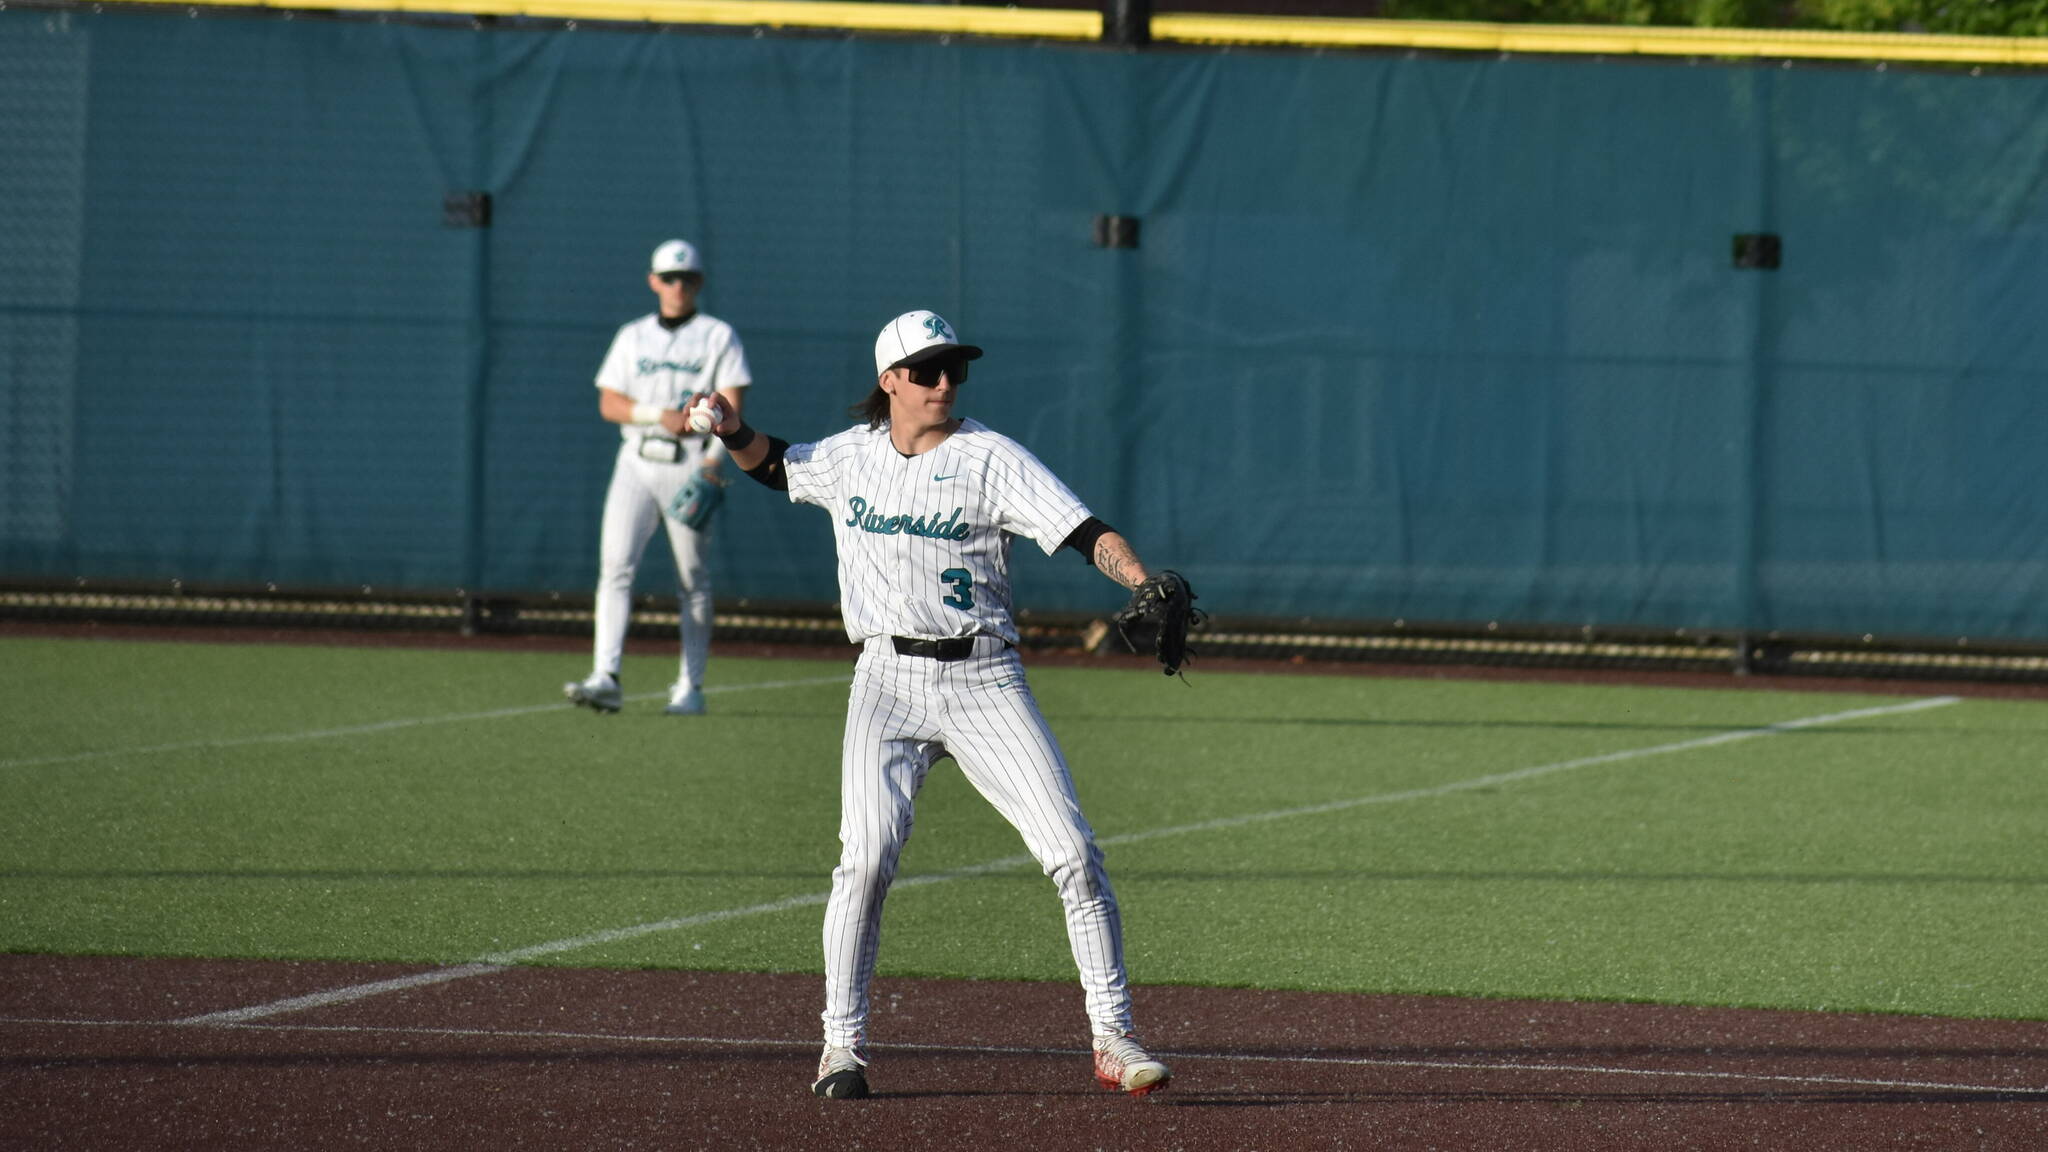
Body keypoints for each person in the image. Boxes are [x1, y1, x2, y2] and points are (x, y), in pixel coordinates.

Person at [682, 309, 1172, 1100]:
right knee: (865, 862)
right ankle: (841, 1049)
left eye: (955, 369)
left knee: (1074, 854)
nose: (946, 382)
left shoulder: (990, 457)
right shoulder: (850, 459)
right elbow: (776, 466)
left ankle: (1112, 1038)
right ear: (889, 382)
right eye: (928, 370)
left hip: (984, 681)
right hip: (884, 682)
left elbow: (1083, 530)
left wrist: (1142, 580)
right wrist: (735, 429)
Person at [563, 239, 751, 716]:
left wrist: (713, 463)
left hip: (690, 460)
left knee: (692, 578)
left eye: (686, 278)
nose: (677, 286)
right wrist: (657, 414)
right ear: (653, 281)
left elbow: (731, 403)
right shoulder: (633, 336)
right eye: (669, 277)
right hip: (637, 460)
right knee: (616, 567)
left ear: (699, 283)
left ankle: (690, 687)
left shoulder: (717, 335)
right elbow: (609, 403)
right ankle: (606, 675)